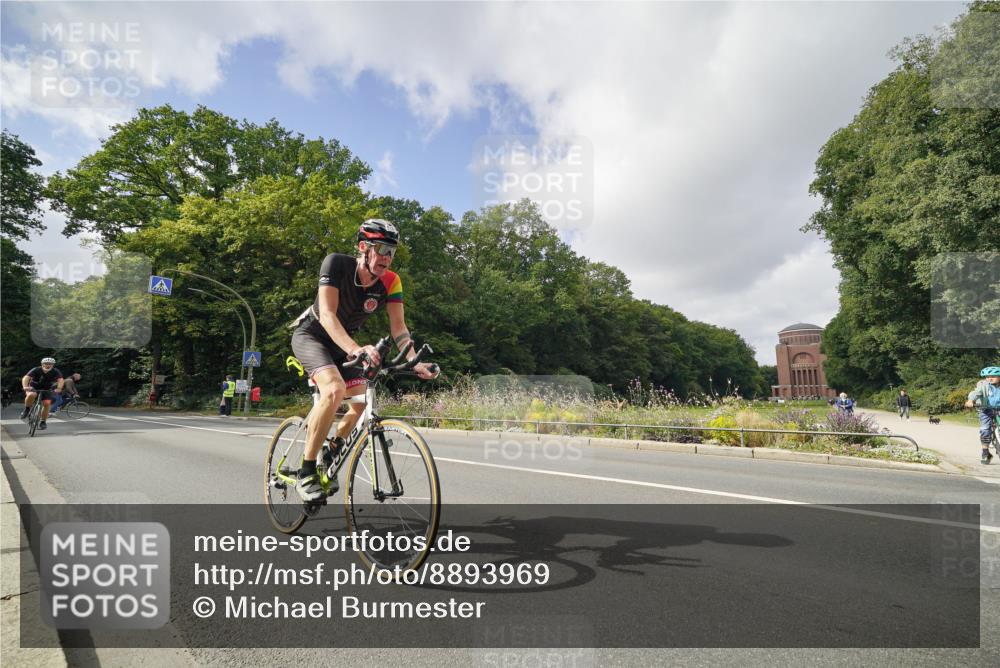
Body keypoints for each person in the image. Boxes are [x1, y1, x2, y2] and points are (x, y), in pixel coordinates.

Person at [290, 218, 438, 502]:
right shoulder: (335, 265)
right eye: (381, 249)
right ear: (363, 247)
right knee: (334, 390)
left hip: (344, 346)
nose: (387, 257)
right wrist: (357, 348)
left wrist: (414, 361)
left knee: (361, 402)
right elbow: (328, 315)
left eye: (391, 252)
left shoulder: (391, 281)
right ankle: (306, 472)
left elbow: (399, 329)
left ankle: (330, 449)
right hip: (313, 336)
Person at [964, 366, 1000, 465]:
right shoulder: (983, 385)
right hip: (986, 409)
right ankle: (985, 453)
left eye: (993, 376)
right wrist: (971, 400)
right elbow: (975, 392)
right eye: (987, 376)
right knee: (985, 430)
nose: (990, 378)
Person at [20, 357, 64, 430]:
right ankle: (27, 409)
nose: (48, 365)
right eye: (46, 364)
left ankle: (43, 421)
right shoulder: (36, 369)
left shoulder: (55, 371)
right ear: (42, 364)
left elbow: (61, 380)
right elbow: (26, 377)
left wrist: (59, 388)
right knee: (32, 395)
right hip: (33, 387)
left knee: (47, 403)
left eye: (50, 364)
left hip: (47, 389)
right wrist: (25, 386)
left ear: (53, 365)